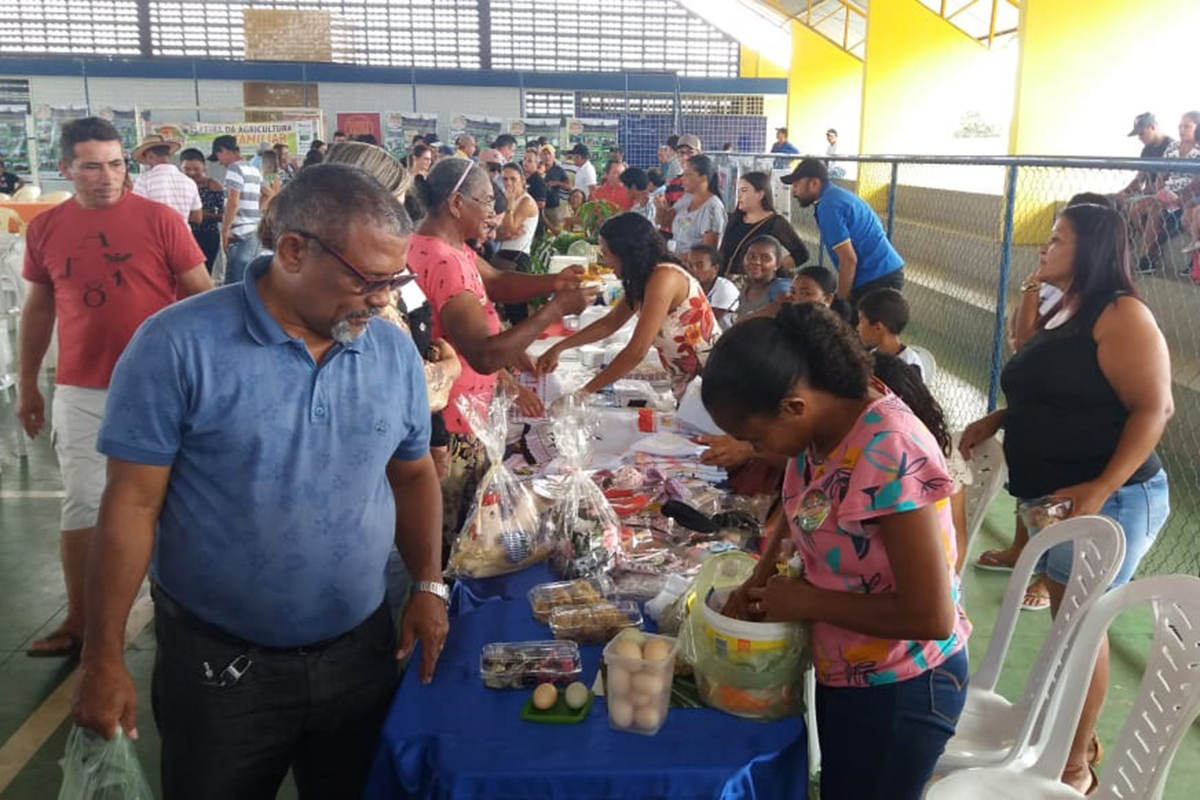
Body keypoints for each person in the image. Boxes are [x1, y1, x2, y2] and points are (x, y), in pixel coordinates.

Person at [69, 164, 448, 799]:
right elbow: (132, 506)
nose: (382, 298)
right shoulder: (178, 347)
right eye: (366, 279)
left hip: (360, 653)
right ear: (294, 250)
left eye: (393, 280)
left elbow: (412, 478)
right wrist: (102, 655)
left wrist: (428, 583)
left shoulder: (389, 352)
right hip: (220, 671)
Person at [702, 302, 970, 800]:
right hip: (848, 671)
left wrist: (806, 602)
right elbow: (805, 503)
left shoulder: (889, 450)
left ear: (793, 406)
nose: (753, 447)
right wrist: (760, 576)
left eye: (755, 437)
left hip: (901, 686)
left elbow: (932, 615)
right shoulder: (825, 428)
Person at [959, 201, 1172, 794]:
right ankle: (1073, 734)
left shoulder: (1123, 314)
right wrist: (1000, 418)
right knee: (1066, 619)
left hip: (1115, 499)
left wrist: (1102, 489)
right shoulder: (1067, 309)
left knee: (1080, 627)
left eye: (1056, 240)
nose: (1044, 249)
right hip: (1057, 501)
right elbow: (1053, 388)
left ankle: (1075, 766)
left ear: (1092, 249)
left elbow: (1155, 408)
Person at [16, 117, 211, 659]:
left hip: (164, 389)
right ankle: (80, 620)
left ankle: (178, 610)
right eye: (92, 166)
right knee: (82, 505)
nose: (107, 177)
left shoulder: (161, 222)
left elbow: (203, 298)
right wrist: (29, 384)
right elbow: (38, 308)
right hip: (81, 390)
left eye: (116, 164)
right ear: (66, 169)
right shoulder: (45, 230)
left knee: (175, 503)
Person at [407, 159, 595, 540]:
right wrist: (555, 310)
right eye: (486, 202)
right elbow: (485, 355)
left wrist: (553, 282)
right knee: (452, 539)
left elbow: (495, 281)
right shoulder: (445, 262)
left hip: (453, 411)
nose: (494, 214)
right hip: (455, 425)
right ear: (457, 204)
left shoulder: (440, 244)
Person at [537, 212, 718, 401]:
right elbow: (609, 323)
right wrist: (559, 348)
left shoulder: (664, 277)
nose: (604, 262)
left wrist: (583, 393)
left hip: (712, 384)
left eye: (606, 254)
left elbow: (637, 350)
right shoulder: (644, 278)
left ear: (626, 253)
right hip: (689, 387)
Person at [784, 158, 904, 303]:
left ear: (814, 183)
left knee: (849, 321)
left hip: (876, 278)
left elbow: (848, 259)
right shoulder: (837, 196)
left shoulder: (828, 206)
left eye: (796, 185)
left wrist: (841, 302)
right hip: (884, 272)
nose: (794, 192)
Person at [1128, 110, 1200, 271]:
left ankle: (1148, 257)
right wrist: (1162, 192)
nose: (1182, 130)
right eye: (1180, 126)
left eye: (1187, 126)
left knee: (1156, 208)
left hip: (1188, 197)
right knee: (1136, 207)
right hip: (1168, 194)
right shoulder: (1173, 147)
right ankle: (1157, 241)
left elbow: (1196, 183)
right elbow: (1162, 174)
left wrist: (1178, 197)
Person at [720, 171, 809, 276]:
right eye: (738, 191)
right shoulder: (734, 219)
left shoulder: (776, 223)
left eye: (744, 191)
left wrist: (771, 269)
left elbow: (801, 254)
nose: (738, 196)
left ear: (760, 194)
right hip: (728, 283)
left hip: (758, 287)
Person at [209, 134, 264, 286]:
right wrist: (254, 214)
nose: (220, 163)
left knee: (234, 287)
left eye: (218, 156)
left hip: (240, 234)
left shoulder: (235, 168)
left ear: (223, 150)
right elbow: (268, 194)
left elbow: (233, 202)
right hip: (254, 232)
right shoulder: (253, 169)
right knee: (249, 284)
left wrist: (225, 230)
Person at [659, 153, 725, 253]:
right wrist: (659, 206)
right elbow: (665, 222)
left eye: (688, 174)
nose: (682, 178)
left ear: (703, 178)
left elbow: (708, 254)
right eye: (683, 174)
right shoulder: (686, 199)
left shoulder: (712, 208)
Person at [131, 134, 202, 225]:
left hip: (155, 236)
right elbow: (197, 217)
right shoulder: (188, 182)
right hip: (183, 236)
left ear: (150, 156)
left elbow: (136, 214)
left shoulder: (144, 181)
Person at [856, 288, 924, 376]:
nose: (857, 328)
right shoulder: (872, 354)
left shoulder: (909, 366)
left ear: (878, 328)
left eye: (861, 321)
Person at [180, 148, 225, 273]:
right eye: (187, 169)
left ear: (204, 167)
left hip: (207, 235)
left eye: (196, 169)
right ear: (180, 168)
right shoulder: (178, 186)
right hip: (183, 236)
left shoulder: (213, 185)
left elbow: (224, 214)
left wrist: (202, 216)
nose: (192, 173)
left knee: (205, 272)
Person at [736, 235, 792, 319]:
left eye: (765, 258)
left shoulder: (780, 287)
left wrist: (744, 321)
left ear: (777, 264)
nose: (756, 262)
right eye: (751, 256)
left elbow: (784, 306)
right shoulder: (742, 288)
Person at [496, 162, 539, 268]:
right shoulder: (505, 199)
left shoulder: (526, 201)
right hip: (503, 253)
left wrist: (509, 205)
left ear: (523, 180)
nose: (508, 183)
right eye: (505, 179)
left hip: (517, 257)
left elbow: (508, 230)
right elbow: (501, 231)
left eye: (513, 179)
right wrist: (500, 235)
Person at [686, 244, 739, 329]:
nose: (693, 270)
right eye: (690, 265)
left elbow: (707, 324)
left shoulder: (724, 289)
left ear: (715, 268)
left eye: (700, 265)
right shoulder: (691, 285)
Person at [663, 134, 700, 208]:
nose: (685, 157)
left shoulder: (707, 183)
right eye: (681, 153)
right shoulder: (673, 185)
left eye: (690, 152)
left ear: (699, 154)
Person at [540, 145, 571, 229]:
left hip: (553, 207)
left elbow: (569, 187)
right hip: (538, 207)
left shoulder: (558, 170)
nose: (547, 157)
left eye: (549, 154)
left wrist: (558, 183)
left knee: (556, 230)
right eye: (544, 154)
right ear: (540, 156)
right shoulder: (536, 169)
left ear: (554, 156)